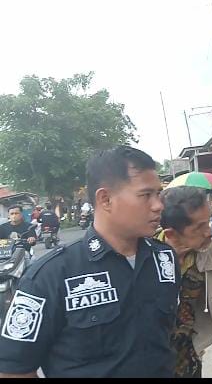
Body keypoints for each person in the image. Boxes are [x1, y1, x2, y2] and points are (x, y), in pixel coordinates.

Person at [0, 145, 179, 378]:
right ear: (105, 199)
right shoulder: (50, 277)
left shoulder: (164, 259)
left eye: (159, 194)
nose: (158, 205)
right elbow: (14, 370)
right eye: (146, 195)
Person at [156, 186, 212, 378]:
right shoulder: (145, 253)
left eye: (209, 222)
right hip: (151, 355)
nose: (209, 232)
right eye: (199, 227)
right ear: (171, 234)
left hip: (188, 352)